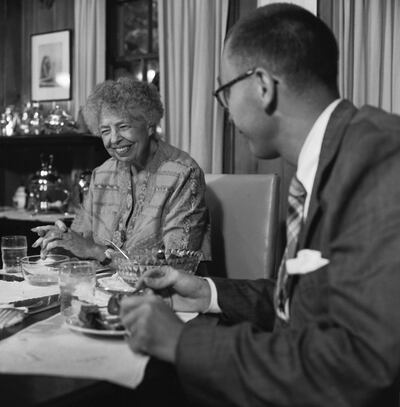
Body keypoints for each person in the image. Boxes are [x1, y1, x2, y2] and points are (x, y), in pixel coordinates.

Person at [119, 4, 400, 406]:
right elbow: (305, 302)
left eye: (225, 92)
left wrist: (182, 340)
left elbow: (361, 367)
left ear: (263, 86)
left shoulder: (380, 159)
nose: (227, 110)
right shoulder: (330, 158)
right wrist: (206, 292)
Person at [32, 78, 210, 265]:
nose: (114, 139)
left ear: (149, 125)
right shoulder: (101, 175)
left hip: (158, 292)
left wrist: (96, 251)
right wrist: (62, 241)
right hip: (101, 288)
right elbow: (81, 240)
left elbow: (178, 264)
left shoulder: (183, 175)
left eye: (123, 127)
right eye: (105, 131)